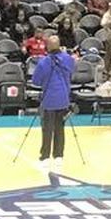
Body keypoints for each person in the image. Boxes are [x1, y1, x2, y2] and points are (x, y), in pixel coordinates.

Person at [29, 31, 76, 163]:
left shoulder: (43, 62)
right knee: (60, 128)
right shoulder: (68, 59)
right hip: (64, 98)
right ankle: (59, 155)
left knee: (47, 128)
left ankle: (45, 156)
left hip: (49, 99)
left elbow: (36, 81)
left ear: (48, 47)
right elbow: (72, 72)